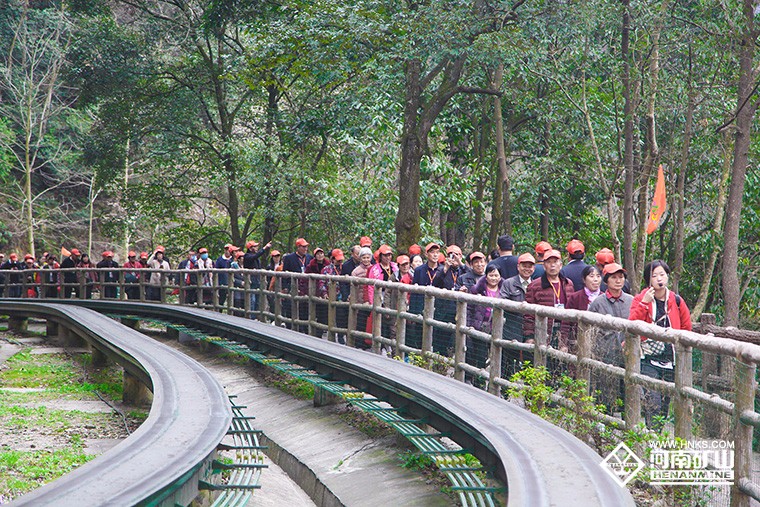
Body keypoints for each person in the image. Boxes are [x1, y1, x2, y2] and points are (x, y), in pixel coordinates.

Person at [629, 259, 691, 428]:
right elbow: (632, 323)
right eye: (654, 275)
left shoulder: (676, 300)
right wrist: (644, 303)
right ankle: (651, 433)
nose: (659, 279)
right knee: (653, 398)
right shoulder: (641, 298)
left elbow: (686, 327)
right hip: (648, 357)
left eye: (662, 274)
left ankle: (656, 434)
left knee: (665, 402)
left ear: (667, 277)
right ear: (648, 279)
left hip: (671, 358)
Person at [588, 263, 633, 410]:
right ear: (606, 280)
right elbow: (589, 330)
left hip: (627, 353)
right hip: (604, 353)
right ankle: (604, 417)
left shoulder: (631, 301)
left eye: (621, 277)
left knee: (628, 388)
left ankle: (628, 419)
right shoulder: (598, 303)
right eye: (614, 277)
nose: (618, 280)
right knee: (604, 389)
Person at [523, 249, 575, 350]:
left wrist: (570, 338)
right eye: (549, 262)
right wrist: (529, 336)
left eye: (555, 262)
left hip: (563, 331)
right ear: (544, 266)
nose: (552, 265)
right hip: (543, 331)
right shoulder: (534, 286)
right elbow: (528, 314)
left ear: (561, 265)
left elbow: (572, 310)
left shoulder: (568, 284)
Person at [500, 253, 536, 376]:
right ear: (518, 267)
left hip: (530, 329)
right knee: (509, 361)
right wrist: (519, 306)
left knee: (529, 360)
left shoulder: (536, 284)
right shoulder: (508, 283)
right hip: (512, 328)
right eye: (524, 266)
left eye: (530, 266)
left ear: (534, 268)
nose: (527, 269)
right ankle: (505, 385)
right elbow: (502, 301)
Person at [467, 265, 504, 382]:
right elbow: (469, 308)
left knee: (495, 356)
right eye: (491, 275)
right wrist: (469, 324)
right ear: (486, 276)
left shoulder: (504, 290)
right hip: (479, 326)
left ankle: (491, 383)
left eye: (496, 275)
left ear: (500, 277)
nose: (494, 278)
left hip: (497, 327)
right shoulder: (477, 289)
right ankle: (478, 381)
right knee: (479, 355)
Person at [560, 265, 602, 355]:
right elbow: (566, 322)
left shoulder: (604, 298)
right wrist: (564, 343)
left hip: (600, 344)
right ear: (584, 279)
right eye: (591, 276)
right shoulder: (575, 297)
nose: (595, 279)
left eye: (598, 276)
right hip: (577, 342)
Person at [408, 243, 442, 350]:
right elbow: (414, 291)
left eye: (437, 252)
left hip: (438, 308)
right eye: (432, 252)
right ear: (427, 254)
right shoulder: (419, 270)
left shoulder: (442, 270)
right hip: (421, 307)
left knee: (437, 335)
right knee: (420, 334)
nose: (435, 255)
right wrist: (413, 311)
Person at [282, 238, 313, 331]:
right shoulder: (289, 258)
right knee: (291, 307)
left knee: (304, 309)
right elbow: (284, 274)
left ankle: (304, 329)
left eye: (306, 247)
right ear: (298, 247)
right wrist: (284, 287)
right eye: (303, 247)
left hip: (305, 288)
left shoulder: (309, 258)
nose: (305, 249)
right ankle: (290, 327)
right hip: (292, 286)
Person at [350, 247, 374, 347]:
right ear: (360, 258)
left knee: (371, 321)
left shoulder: (374, 269)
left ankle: (369, 342)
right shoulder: (356, 271)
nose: (366, 260)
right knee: (360, 321)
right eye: (364, 257)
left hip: (371, 299)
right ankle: (359, 343)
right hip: (359, 299)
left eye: (368, 257)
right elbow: (353, 287)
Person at [243, 239, 271, 312]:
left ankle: (256, 315)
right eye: (254, 247)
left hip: (257, 281)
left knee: (258, 300)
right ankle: (251, 315)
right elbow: (254, 256)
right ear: (250, 248)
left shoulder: (256, 258)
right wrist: (264, 248)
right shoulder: (247, 256)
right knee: (252, 300)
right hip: (251, 281)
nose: (256, 248)